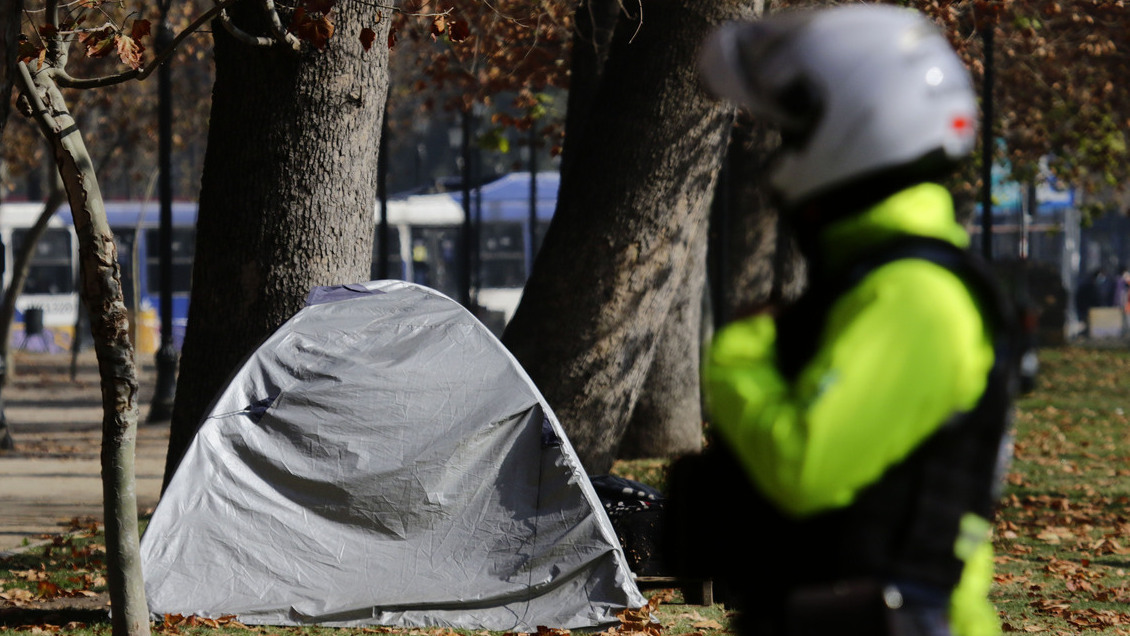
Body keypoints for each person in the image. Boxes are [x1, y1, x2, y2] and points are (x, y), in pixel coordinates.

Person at [672, 6, 1023, 636]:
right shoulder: (877, 281)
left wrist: (739, 357)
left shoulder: (916, 296)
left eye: (792, 132)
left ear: (855, 127)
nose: (781, 156)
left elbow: (805, 466)